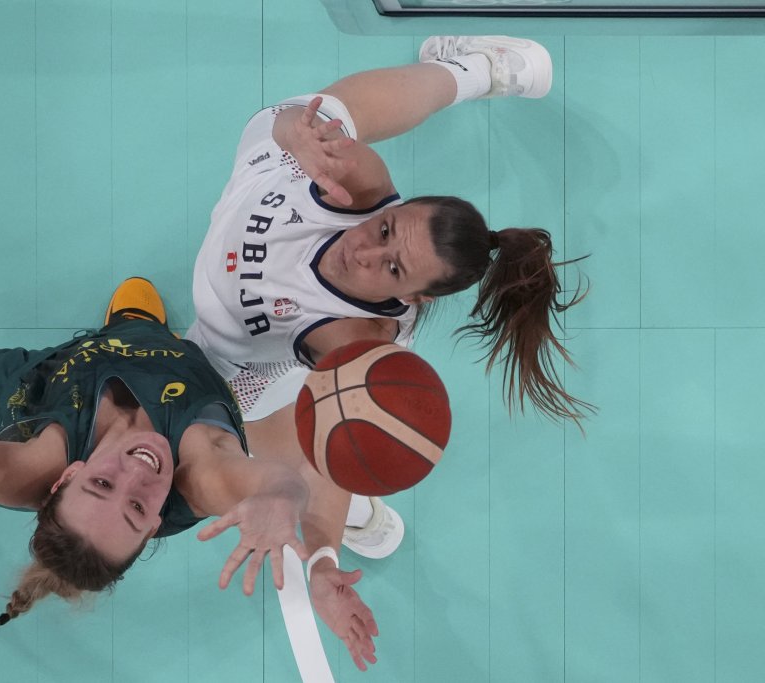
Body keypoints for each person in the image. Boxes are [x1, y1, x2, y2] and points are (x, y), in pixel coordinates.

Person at [187, 35, 592, 669]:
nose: (366, 252)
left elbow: (326, 457)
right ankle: (477, 69)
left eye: (393, 268)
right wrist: (298, 133)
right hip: (260, 171)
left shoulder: (358, 340)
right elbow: (301, 121)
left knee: (285, 447)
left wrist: (322, 560)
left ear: (414, 298)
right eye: (384, 230)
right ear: (391, 207)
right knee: (336, 109)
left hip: (225, 355)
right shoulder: (360, 184)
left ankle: (357, 503)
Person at [0, 278, 310, 642]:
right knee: (148, 343)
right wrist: (284, 497)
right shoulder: (201, 470)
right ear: (156, 523)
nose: (136, 475)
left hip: (46, 387)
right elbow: (278, 477)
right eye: (137, 508)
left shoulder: (32, 464)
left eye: (102, 485)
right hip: (152, 359)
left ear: (69, 474)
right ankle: (136, 330)